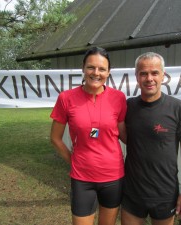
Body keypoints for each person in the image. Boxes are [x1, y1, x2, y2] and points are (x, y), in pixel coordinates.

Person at [50, 46, 127, 225]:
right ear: (83, 68)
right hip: (82, 179)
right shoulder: (66, 98)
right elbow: (55, 138)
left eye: (102, 69)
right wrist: (73, 161)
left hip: (113, 177)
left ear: (108, 72)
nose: (96, 73)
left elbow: (124, 135)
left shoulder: (119, 98)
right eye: (91, 67)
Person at [121, 52, 181, 225]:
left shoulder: (179, 109)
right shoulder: (127, 106)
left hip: (164, 192)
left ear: (163, 76)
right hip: (133, 190)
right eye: (143, 73)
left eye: (154, 73)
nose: (149, 78)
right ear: (137, 77)